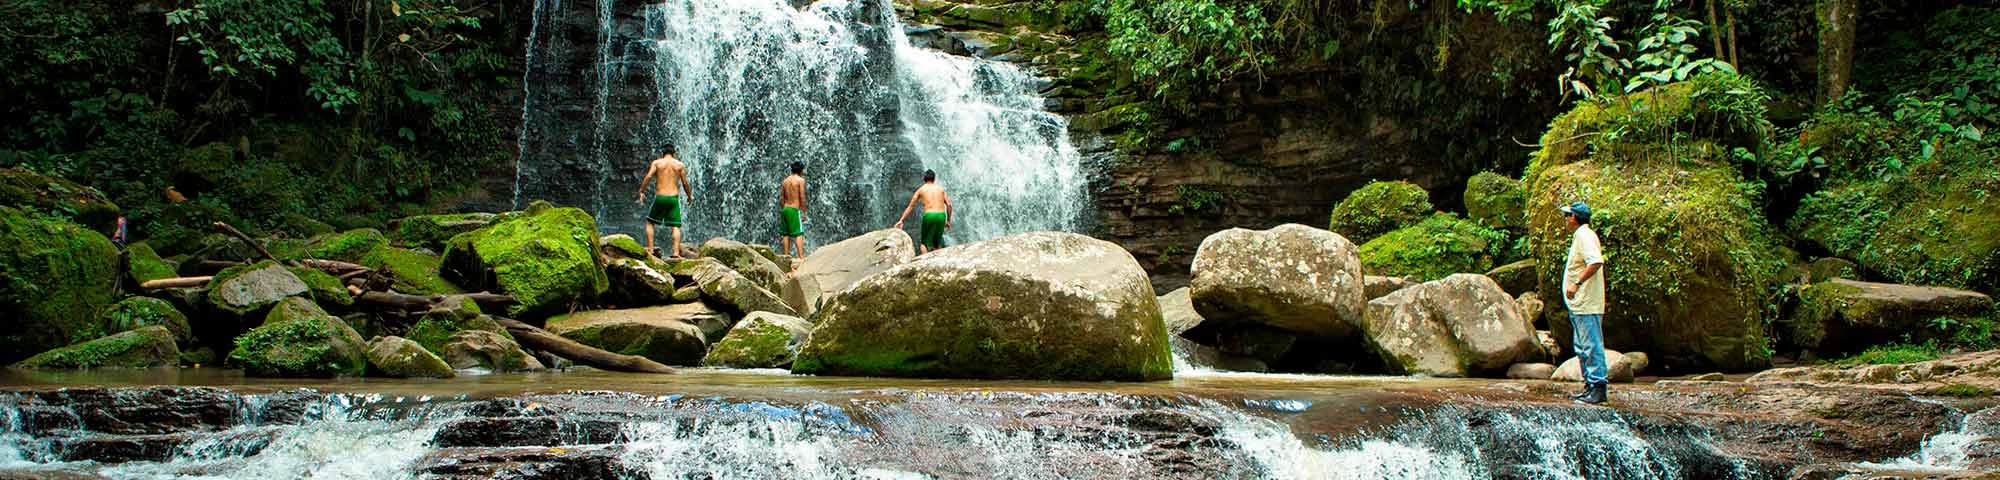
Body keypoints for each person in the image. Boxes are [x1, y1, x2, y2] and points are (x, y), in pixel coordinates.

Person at [1560, 201, 1610, 405]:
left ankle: (1598, 389)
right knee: (1582, 346)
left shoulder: (1585, 235)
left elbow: (1596, 261)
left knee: (1591, 345)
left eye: (1567, 215)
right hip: (1579, 305)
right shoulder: (1580, 235)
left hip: (1587, 303)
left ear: (1574, 218)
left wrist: (1576, 283)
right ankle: (1590, 386)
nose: (1565, 220)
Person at [636, 144, 691, 259]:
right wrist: (689, 196)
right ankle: (676, 253)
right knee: (675, 226)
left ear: (662, 153)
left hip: (660, 197)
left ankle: (650, 250)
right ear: (674, 153)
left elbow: (648, 176)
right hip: (673, 198)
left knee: (650, 222)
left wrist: (641, 191)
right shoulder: (679, 165)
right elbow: (685, 183)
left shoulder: (657, 163)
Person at [892, 169, 952, 255]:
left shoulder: (921, 190)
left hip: (929, 215)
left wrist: (901, 220)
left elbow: (911, 206)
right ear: (934, 179)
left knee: (924, 244)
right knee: (937, 243)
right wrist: (949, 220)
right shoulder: (940, 189)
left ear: (924, 179)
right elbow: (949, 205)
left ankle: (925, 262)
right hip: (941, 215)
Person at [779, 161, 808, 262]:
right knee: (798, 234)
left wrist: (783, 208)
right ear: (801, 170)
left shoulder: (785, 181)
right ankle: (801, 257)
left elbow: (781, 197)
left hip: (785, 209)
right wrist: (803, 212)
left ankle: (785, 257)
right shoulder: (800, 180)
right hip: (794, 209)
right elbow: (802, 197)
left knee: (785, 234)